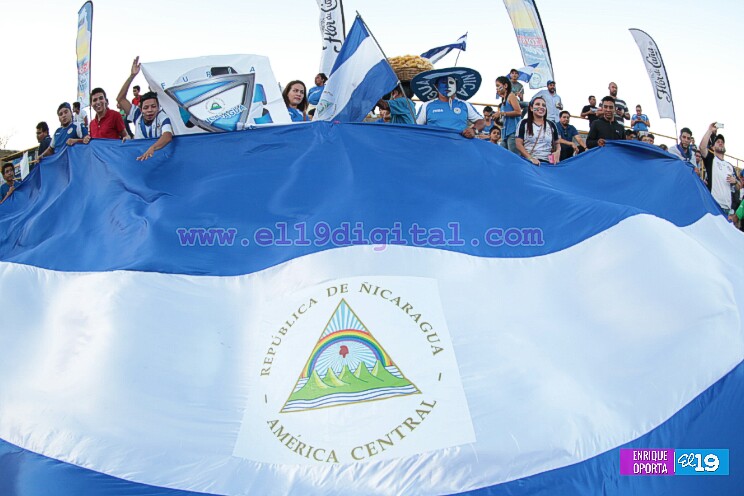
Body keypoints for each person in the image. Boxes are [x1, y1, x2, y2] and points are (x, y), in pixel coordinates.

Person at [117, 57, 175, 161]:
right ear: (140, 109)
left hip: (159, 159)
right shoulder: (136, 115)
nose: (150, 110)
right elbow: (120, 99)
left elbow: (167, 136)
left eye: (153, 106)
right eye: (146, 107)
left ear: (158, 107)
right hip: (140, 159)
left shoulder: (162, 116)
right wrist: (132, 76)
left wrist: (152, 148)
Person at [412, 67, 484, 138]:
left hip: (459, 144)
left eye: (451, 83)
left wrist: (474, 130)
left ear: (456, 85)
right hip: (434, 144)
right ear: (436, 86)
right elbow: (416, 127)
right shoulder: (426, 105)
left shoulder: (464, 105)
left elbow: (481, 121)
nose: (448, 86)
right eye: (443, 83)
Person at [699, 123, 737, 214]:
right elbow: (702, 147)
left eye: (722, 142)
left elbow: (739, 186)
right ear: (713, 147)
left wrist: (735, 181)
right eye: (718, 142)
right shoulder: (711, 159)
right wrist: (709, 130)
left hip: (728, 209)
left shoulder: (730, 166)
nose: (720, 143)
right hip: (714, 206)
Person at [515, 96, 559, 165]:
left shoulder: (552, 124)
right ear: (531, 108)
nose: (541, 107)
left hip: (548, 163)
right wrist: (530, 158)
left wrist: (558, 152)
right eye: (537, 104)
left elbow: (557, 143)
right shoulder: (523, 123)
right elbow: (518, 144)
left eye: (544, 105)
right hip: (528, 163)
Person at [494, 76, 522, 153]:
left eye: (498, 86)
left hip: (513, 132)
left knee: (514, 156)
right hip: (505, 133)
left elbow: (518, 112)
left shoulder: (511, 96)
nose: (496, 88)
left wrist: (501, 113)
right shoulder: (503, 100)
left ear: (505, 86)